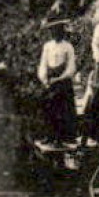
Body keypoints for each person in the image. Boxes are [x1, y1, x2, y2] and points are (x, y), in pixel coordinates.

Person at [36, 17, 78, 145]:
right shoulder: (47, 46)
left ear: (62, 31)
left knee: (62, 104)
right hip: (50, 79)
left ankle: (65, 136)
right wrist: (44, 79)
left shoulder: (68, 47)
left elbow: (71, 67)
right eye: (53, 30)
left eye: (58, 29)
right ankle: (49, 135)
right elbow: (43, 64)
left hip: (63, 80)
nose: (56, 32)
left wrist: (60, 78)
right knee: (46, 103)